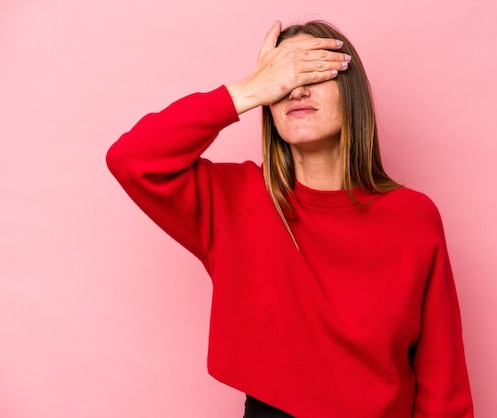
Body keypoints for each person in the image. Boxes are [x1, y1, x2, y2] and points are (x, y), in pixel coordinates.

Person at [107, 19, 474, 418]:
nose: (296, 89)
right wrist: (248, 90)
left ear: (350, 94)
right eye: (283, 76)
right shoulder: (235, 200)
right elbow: (131, 159)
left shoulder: (412, 217)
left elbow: (444, 383)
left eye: (312, 71)